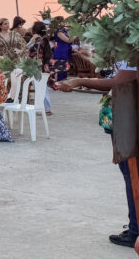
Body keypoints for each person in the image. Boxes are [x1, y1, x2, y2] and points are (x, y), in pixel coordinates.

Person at [57, 67, 138, 247]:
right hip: (129, 116)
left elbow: (119, 81)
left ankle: (135, 231)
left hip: (130, 118)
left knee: (132, 177)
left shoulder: (132, 49)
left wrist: (79, 81)